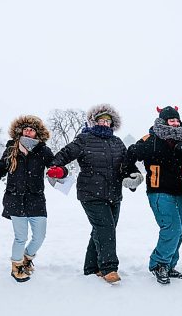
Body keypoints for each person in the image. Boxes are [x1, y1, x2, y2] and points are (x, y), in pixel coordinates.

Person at [47, 104, 141, 284]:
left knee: (103, 229)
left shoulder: (117, 142)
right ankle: (109, 268)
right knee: (106, 229)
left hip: (114, 193)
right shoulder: (84, 139)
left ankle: (91, 267)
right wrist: (57, 168)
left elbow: (126, 165)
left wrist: (133, 176)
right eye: (101, 120)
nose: (105, 123)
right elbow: (63, 155)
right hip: (90, 193)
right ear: (94, 121)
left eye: (108, 121)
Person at [126, 106, 182, 285]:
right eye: (171, 120)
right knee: (172, 228)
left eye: (177, 120)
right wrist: (132, 174)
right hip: (158, 191)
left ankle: (169, 264)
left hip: (180, 192)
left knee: (181, 228)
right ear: (163, 121)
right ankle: (158, 264)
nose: (175, 123)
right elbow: (129, 155)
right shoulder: (150, 140)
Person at [0, 115, 54, 282]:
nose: (28, 131)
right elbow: (0, 169)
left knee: (40, 236)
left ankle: (27, 258)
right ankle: (16, 266)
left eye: (32, 129)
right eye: (26, 129)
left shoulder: (43, 151)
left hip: (36, 199)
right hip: (15, 199)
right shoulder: (12, 149)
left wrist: (61, 172)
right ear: (20, 131)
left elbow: (56, 166)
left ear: (37, 133)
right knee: (21, 237)